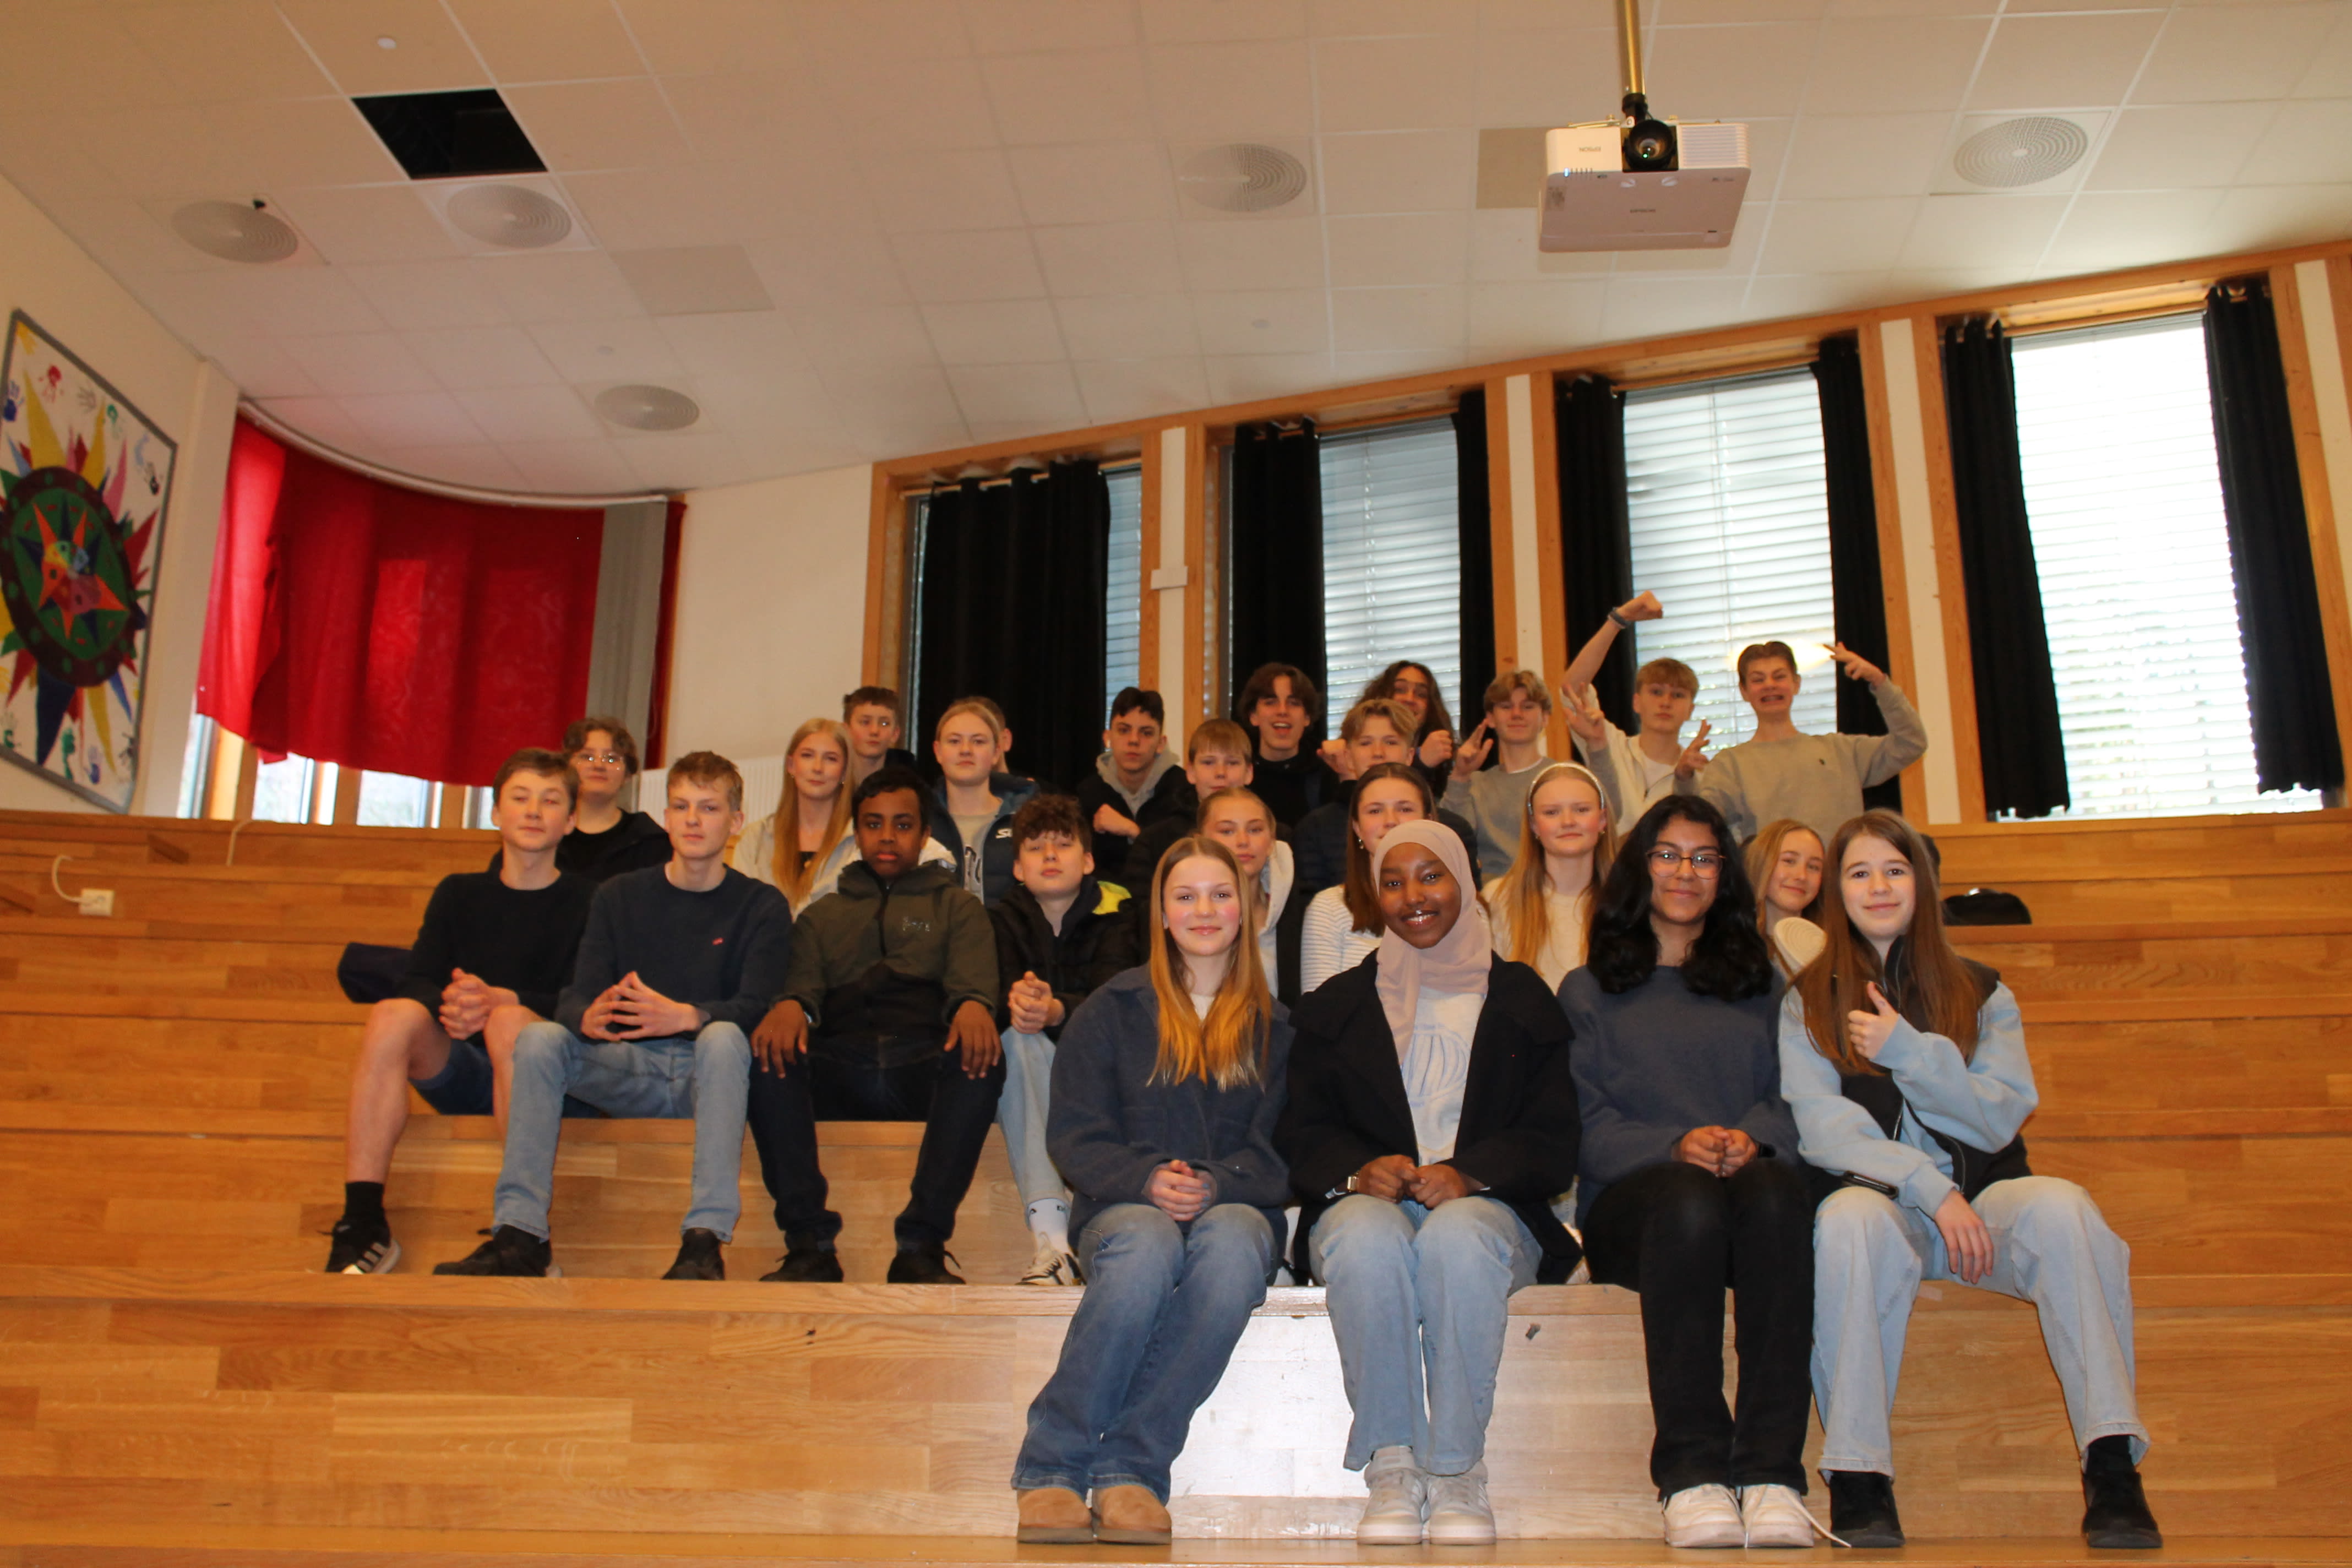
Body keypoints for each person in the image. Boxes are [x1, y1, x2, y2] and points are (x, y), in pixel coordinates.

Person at [1781, 810, 2160, 1551]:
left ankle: (2112, 1462)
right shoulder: (1808, 998)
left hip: (1986, 1203)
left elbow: (1999, 1117)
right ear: (1837, 892)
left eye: (1895, 869)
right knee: (1847, 1219)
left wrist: (1910, 1052)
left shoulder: (1982, 990)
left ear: (1922, 884)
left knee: (2067, 1210)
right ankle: (1859, 1474)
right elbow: (1826, 1130)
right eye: (1859, 872)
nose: (1878, 886)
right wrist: (1932, 1191)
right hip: (1889, 1210)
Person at [1278, 821, 1581, 1545]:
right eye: (1393, 881)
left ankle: (1456, 1471)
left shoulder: (1522, 997)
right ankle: (1392, 1465)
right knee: (1364, 1239)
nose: (1413, 896)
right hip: (1367, 1206)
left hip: (1491, 1211)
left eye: (1431, 875)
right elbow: (1301, 1134)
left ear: (1464, 883)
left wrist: (1472, 1173)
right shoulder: (1336, 1005)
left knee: (1456, 1238)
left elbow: (1553, 1141)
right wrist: (1357, 1172)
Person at [1010, 836, 1292, 1547]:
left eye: (1221, 894)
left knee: (1234, 1250)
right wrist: (1143, 1178)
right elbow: (1074, 1136)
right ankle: (1052, 1465)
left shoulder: (1278, 1028)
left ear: (1247, 908)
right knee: (1144, 1247)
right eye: (1185, 896)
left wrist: (1217, 1182)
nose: (1205, 910)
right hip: (1122, 1207)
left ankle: (1132, 1468)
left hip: (1237, 1209)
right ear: (1161, 913)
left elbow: (1288, 1152)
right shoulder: (1110, 1009)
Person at [1559, 796, 1818, 1549]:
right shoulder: (1587, 989)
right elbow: (1584, 1126)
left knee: (1779, 1191)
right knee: (1687, 1198)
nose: (1686, 872)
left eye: (1705, 858)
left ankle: (1771, 1472)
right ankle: (1692, 1472)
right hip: (1636, 1213)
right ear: (1640, 869)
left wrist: (1751, 1140)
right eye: (1668, 854)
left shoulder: (1764, 986)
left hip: (1746, 1197)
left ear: (1724, 876)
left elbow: (1794, 1100)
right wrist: (1674, 1145)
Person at [435, 752, 789, 1281]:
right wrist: (588, 1016)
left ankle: (703, 1242)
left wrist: (688, 1016)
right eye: (681, 807)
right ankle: (520, 1236)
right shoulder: (619, 895)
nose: (693, 820)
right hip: (629, 1070)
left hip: (711, 1076)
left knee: (723, 1038)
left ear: (736, 822)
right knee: (539, 1039)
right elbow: (574, 997)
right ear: (665, 817)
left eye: (709, 808)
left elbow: (758, 1005)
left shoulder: (762, 905)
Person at [324, 749, 595, 1275]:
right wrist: (456, 1004)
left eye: (550, 800)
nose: (533, 811)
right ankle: (362, 1223)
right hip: (469, 1069)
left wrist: (504, 1002)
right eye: (520, 798)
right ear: (495, 813)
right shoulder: (458, 893)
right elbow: (418, 981)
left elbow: (588, 1003)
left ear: (571, 820)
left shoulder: (594, 900)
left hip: (555, 1080)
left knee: (510, 1023)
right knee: (392, 1015)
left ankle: (523, 1234)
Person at [745, 765, 1003, 1284]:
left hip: (922, 1066)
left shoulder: (958, 907)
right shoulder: (822, 916)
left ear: (924, 834)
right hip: (840, 1064)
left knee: (981, 1058)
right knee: (770, 1055)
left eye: (902, 825)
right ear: (856, 833)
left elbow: (974, 984)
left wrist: (974, 1004)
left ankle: (922, 1245)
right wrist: (791, 1003)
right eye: (873, 824)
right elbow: (801, 987)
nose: (887, 836)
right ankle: (810, 1245)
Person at [991, 794, 1144, 1287]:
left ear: (1089, 860)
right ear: (1018, 868)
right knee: (1018, 1039)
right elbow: (986, 998)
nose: (1051, 856)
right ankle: (1053, 1240)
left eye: (1063, 844)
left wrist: (1057, 1009)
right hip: (1026, 1065)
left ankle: (1063, 1240)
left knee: (1033, 1036)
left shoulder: (1121, 912)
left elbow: (1119, 1003)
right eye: (1036, 848)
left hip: (1106, 1068)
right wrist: (1016, 1002)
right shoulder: (998, 919)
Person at [1686, 640, 1928, 846]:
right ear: (1744, 691)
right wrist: (1684, 778)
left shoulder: (1841, 751)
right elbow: (1700, 822)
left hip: (1839, 881)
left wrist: (1879, 682)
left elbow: (1911, 743)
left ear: (1796, 683)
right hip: (1768, 884)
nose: (1770, 685)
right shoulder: (1730, 764)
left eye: (1779, 676)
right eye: (1758, 680)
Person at [732, 716, 954, 913]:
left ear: (844, 771)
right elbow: (739, 910)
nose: (818, 768)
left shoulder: (864, 836)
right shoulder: (755, 839)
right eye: (808, 756)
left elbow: (940, 857)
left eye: (831, 759)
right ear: (791, 765)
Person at [1559, 592, 1711, 836]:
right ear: (1636, 702)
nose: (1666, 702)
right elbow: (1572, 689)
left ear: (1690, 710)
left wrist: (1686, 778)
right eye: (1656, 692)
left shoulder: (1698, 773)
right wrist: (1617, 620)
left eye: (1678, 695)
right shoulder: (1609, 743)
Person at [1295, 700, 1479, 896]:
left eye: (1390, 742)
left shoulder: (1453, 829)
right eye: (1366, 743)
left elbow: (1468, 904)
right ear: (1348, 757)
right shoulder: (1315, 828)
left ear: (1410, 755)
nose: (1378, 753)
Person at [1299, 761, 1433, 994]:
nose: (1391, 820)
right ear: (1357, 828)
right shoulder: (1329, 908)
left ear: (1429, 822)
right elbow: (1319, 1011)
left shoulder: (1464, 905)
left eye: (1405, 809)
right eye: (1375, 811)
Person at [1484, 762, 1613, 990]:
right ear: (1534, 825)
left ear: (1602, 820)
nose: (1568, 822)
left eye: (1582, 810)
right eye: (1551, 812)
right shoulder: (1499, 898)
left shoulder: (1630, 900)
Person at [1440, 669, 1557, 880]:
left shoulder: (1562, 778)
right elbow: (1452, 839)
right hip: (1493, 892)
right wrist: (1460, 777)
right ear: (1491, 719)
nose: (1517, 714)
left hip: (1551, 886)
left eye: (1528, 707)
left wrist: (1597, 745)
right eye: (1506, 707)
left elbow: (1611, 813)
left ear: (1545, 718)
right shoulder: (1475, 784)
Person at [1199, 785, 1305, 1006]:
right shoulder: (1184, 917)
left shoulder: (1301, 915)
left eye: (1255, 830)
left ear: (1271, 842)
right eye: (1227, 831)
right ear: (1201, 841)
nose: (1243, 841)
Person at [1125, 718, 1259, 892]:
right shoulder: (1155, 841)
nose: (1220, 773)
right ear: (1191, 772)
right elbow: (1140, 903)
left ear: (1249, 772)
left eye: (1232, 763)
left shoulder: (1272, 838)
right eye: (1208, 762)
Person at [930, 696, 1041, 906]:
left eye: (978, 741)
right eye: (954, 741)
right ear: (938, 752)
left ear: (996, 753)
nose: (966, 750)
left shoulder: (1029, 819)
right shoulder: (918, 820)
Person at [1074, 688, 1190, 887]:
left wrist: (1133, 831)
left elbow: (1187, 860)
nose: (1134, 740)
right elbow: (1081, 865)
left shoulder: (1183, 789)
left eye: (1146, 733)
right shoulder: (1088, 793)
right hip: (1105, 900)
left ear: (1161, 743)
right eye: (1124, 730)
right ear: (1107, 737)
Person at [548, 716, 674, 882]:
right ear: (567, 768)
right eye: (587, 757)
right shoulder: (548, 833)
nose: (599, 766)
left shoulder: (651, 842)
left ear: (628, 774)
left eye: (611, 759)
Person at [1324, 661, 1457, 793]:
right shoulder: (1342, 754)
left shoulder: (1444, 759)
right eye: (1400, 690)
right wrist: (1420, 762)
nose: (1410, 699)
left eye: (1421, 694)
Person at [1234, 662, 1327, 827]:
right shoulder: (1235, 774)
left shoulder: (1326, 775)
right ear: (1253, 716)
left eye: (1294, 703)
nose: (1283, 711)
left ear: (1307, 717)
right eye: (1271, 702)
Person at [1747, 818, 1828, 977]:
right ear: (1762, 864)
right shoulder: (1731, 947)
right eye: (1789, 861)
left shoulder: (1832, 950)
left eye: (1814, 867)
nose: (1802, 876)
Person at [842, 684, 921, 786]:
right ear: (846, 731)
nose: (874, 731)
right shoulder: (832, 779)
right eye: (865, 722)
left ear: (895, 734)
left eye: (884, 724)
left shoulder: (910, 783)